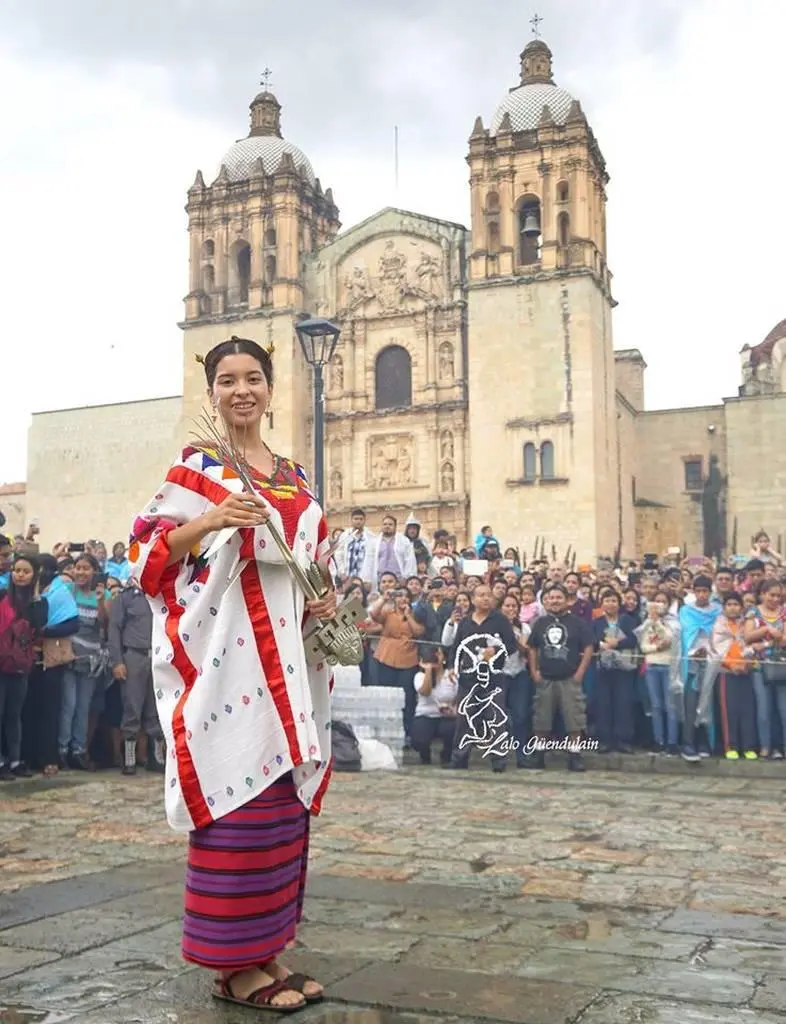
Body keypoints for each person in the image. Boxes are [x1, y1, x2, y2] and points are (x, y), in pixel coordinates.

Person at [129, 336, 335, 1011]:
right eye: (227, 380)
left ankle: (267, 952)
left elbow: (314, 556)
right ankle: (231, 967)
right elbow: (145, 554)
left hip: (288, 664)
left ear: (270, 389)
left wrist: (324, 596)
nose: (241, 390)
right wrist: (213, 520)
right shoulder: (197, 469)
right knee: (235, 805)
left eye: (252, 378)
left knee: (279, 811)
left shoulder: (294, 475)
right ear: (212, 391)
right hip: (228, 662)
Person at [447, 583, 517, 772]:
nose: (486, 598)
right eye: (481, 595)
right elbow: (456, 647)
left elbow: (512, 645)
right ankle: (459, 758)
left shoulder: (500, 620)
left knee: (495, 719)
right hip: (468, 678)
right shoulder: (465, 622)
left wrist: (496, 649)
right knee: (464, 719)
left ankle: (498, 761)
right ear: (473, 599)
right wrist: (452, 666)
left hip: (494, 678)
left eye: (489, 595)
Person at [525, 584, 594, 772]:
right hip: (545, 678)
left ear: (566, 600)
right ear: (546, 601)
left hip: (569, 678)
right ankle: (539, 755)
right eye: (551, 598)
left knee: (574, 719)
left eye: (558, 597)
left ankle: (575, 756)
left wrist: (580, 672)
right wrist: (534, 671)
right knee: (541, 719)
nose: (555, 601)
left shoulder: (577, 623)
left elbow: (589, 646)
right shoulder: (540, 623)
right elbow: (532, 647)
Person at [107, 578, 165, 775]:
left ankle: (156, 757)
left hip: (158, 655)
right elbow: (114, 629)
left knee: (155, 708)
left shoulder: (161, 594)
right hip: (133, 655)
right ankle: (129, 758)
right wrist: (117, 661)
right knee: (132, 706)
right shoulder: (126, 597)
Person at [58, 553, 108, 771]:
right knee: (68, 706)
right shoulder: (67, 591)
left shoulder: (103, 594)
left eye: (86, 568)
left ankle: (78, 750)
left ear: (94, 572)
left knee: (83, 707)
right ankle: (62, 749)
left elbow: (105, 623)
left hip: (91, 662)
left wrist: (100, 600)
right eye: (77, 567)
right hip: (69, 657)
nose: (80, 572)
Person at [0, 555, 48, 780]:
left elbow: (39, 623)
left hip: (21, 665)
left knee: (14, 714)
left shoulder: (38, 602)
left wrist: (36, 595)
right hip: (1, 663)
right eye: (16, 570)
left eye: (25, 571)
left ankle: (15, 760)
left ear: (34, 576)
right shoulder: (2, 596)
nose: (19, 575)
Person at [713, 592, 758, 761]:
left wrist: (746, 664)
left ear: (741, 607)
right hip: (727, 673)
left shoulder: (746, 624)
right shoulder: (719, 625)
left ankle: (748, 747)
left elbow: (751, 645)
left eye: (736, 604)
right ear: (724, 607)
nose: (733, 608)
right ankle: (730, 746)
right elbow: (717, 649)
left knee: (748, 709)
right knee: (729, 711)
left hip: (746, 671)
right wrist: (732, 665)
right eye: (729, 604)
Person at [411, 647, 457, 765]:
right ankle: (424, 755)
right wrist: (428, 670)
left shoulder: (451, 676)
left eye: (438, 654)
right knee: (419, 739)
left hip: (447, 717)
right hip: (425, 715)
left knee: (453, 728)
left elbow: (459, 698)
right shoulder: (419, 676)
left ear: (444, 658)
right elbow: (425, 692)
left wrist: (452, 710)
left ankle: (447, 755)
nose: (435, 656)